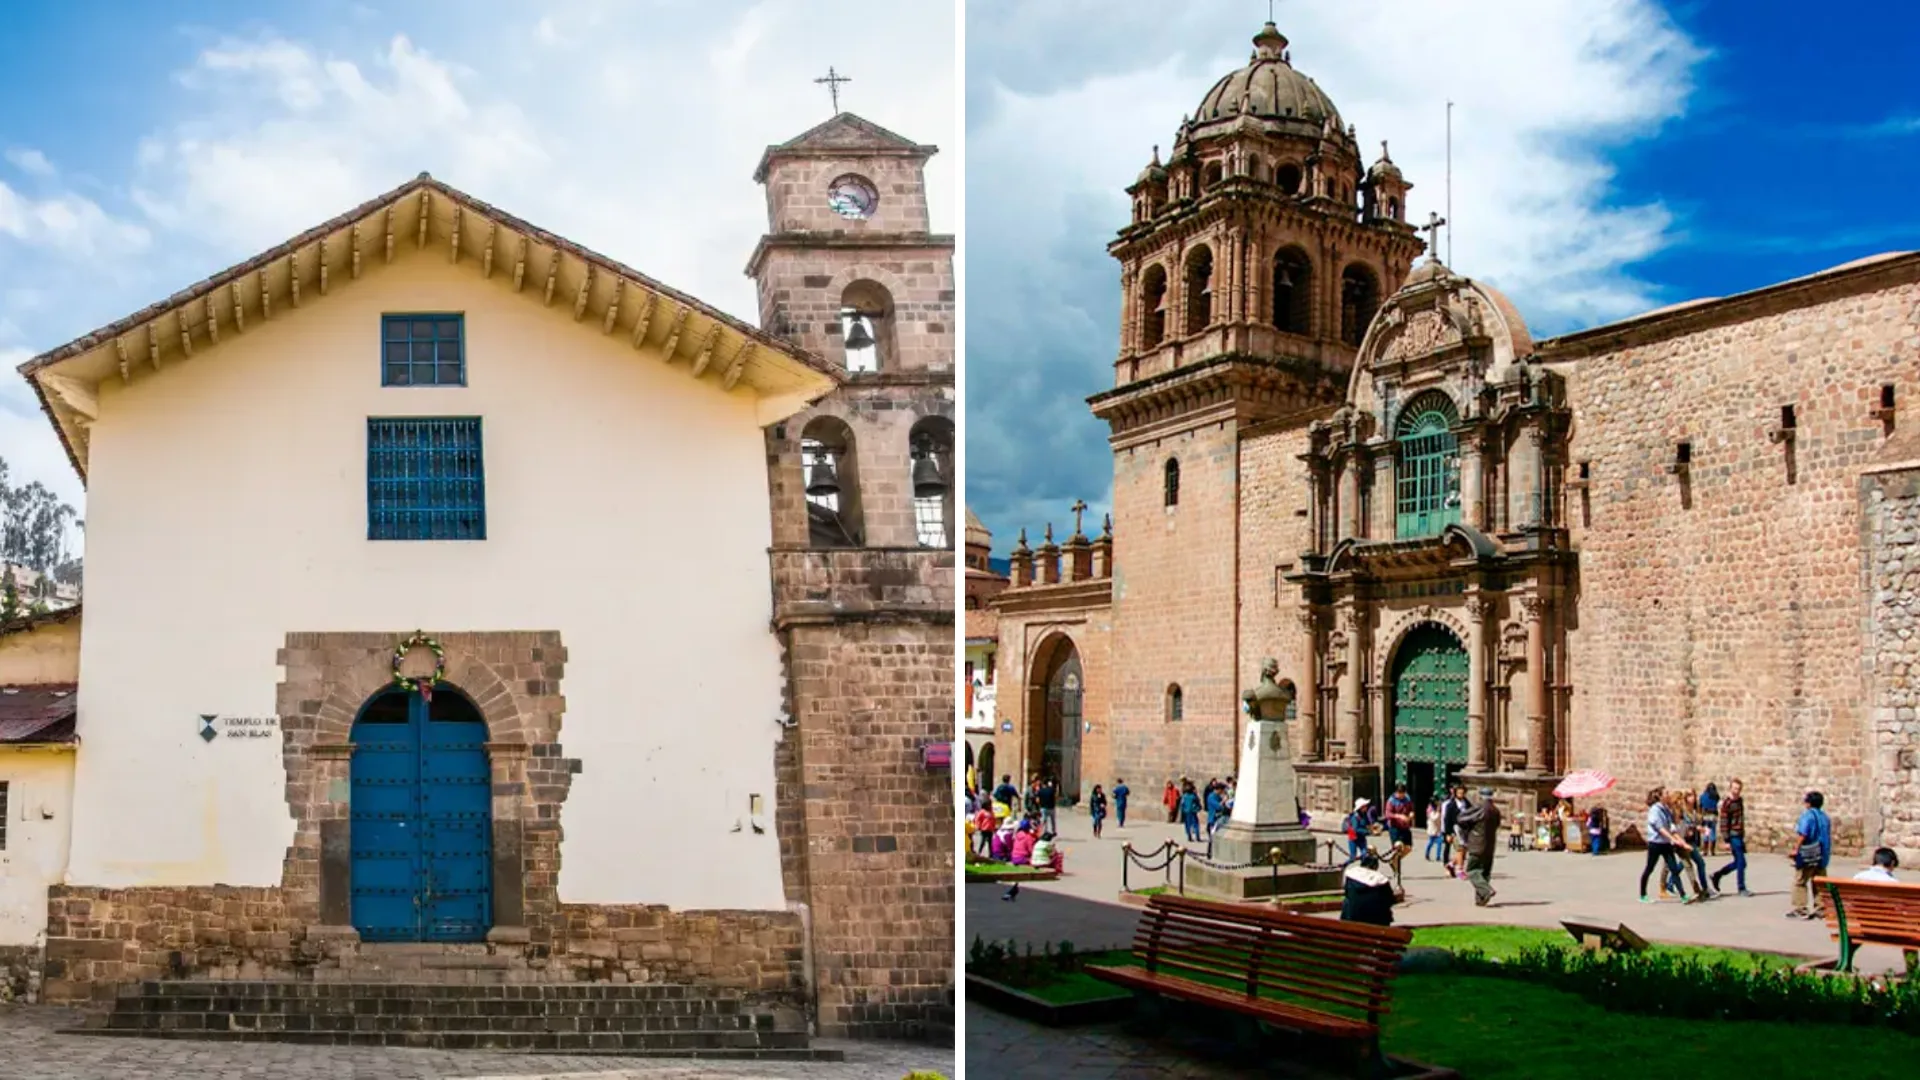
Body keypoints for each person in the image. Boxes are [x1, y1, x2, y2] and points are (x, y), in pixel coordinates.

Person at [1638, 787, 1695, 904]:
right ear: (1660, 796)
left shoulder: (1666, 809)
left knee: (1673, 868)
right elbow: (1659, 827)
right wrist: (1672, 838)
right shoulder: (1655, 810)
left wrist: (1680, 841)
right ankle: (1643, 894)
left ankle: (1683, 895)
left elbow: (1671, 826)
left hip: (1666, 844)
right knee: (1649, 868)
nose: (1668, 795)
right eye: (1666, 793)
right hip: (1655, 843)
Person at [1455, 787, 1502, 907]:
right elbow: (1497, 825)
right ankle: (1481, 899)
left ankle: (1486, 890)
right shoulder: (1495, 810)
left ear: (1480, 795)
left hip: (1477, 844)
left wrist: (1468, 828)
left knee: (1472, 870)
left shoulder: (1480, 807)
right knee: (1484, 873)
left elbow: (1461, 818)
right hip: (1490, 845)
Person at [1788, 790, 1831, 919]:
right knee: (1819, 881)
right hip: (1822, 853)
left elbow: (1803, 834)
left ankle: (1800, 907)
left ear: (1808, 803)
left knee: (1800, 881)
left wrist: (1796, 849)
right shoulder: (1825, 817)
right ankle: (1821, 907)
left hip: (1808, 853)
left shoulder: (1807, 816)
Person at [1709, 778, 1751, 896]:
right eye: (1734, 788)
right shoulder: (1727, 803)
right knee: (1741, 862)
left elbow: (1740, 819)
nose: (1736, 791)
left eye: (1738, 789)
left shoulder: (1740, 801)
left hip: (1739, 834)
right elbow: (1723, 822)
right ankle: (1741, 888)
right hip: (1733, 836)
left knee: (1739, 862)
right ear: (1730, 789)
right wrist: (1726, 839)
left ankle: (1717, 875)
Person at [1340, 852, 1398, 927]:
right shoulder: (1381, 880)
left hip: (1352, 917)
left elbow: (1347, 893)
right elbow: (1390, 900)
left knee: (1347, 902)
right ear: (1375, 866)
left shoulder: (1351, 875)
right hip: (1375, 920)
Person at [1383, 784, 1415, 885]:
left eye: (1402, 793)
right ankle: (1396, 869)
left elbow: (1411, 809)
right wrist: (1399, 816)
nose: (1401, 795)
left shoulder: (1407, 799)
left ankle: (1394, 860)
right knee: (1397, 846)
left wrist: (1411, 814)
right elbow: (1388, 814)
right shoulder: (1391, 801)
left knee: (1408, 847)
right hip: (1395, 827)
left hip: (1405, 827)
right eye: (1399, 793)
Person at [1343, 798, 1372, 865]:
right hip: (1353, 838)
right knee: (1352, 857)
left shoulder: (1364, 815)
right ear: (1361, 807)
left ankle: (1363, 868)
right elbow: (1355, 829)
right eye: (1365, 806)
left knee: (1364, 854)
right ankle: (1343, 866)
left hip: (1361, 838)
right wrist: (1367, 831)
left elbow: (1367, 824)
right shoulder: (1355, 817)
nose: (1366, 807)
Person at [1699, 781, 1721, 857]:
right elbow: (1717, 802)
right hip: (1713, 815)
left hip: (1705, 815)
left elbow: (1700, 805)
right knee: (1713, 832)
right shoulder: (1716, 796)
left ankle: (1705, 850)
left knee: (1706, 832)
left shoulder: (1703, 796)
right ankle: (1712, 851)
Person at [1424, 796, 1446, 862]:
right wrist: (1438, 812)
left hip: (1438, 828)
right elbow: (1434, 818)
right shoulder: (1430, 809)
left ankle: (1438, 856)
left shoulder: (1439, 808)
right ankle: (1427, 854)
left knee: (1439, 842)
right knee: (1431, 842)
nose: (1438, 802)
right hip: (1432, 828)